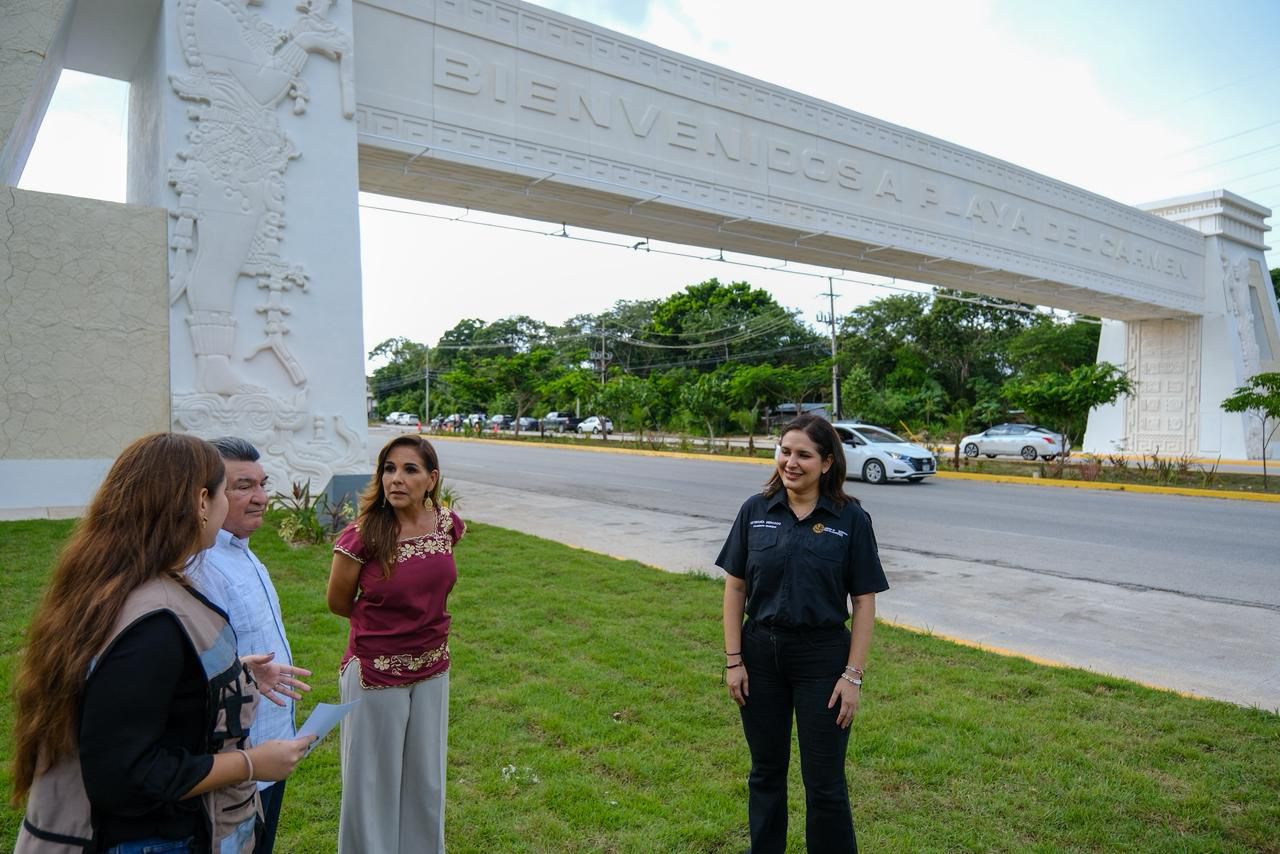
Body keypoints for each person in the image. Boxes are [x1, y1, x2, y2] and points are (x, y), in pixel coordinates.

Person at [11, 432, 316, 854]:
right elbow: (125, 774)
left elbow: (145, 697)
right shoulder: (152, 621)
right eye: (228, 491)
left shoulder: (129, 588)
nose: (238, 501)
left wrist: (234, 673)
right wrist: (251, 763)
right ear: (200, 503)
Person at [718, 414, 889, 853]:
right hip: (760, 657)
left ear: (827, 462)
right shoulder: (755, 510)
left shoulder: (850, 519)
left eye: (803, 455)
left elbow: (864, 601)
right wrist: (734, 661)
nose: (790, 462)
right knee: (766, 773)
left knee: (826, 782)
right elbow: (736, 587)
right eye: (784, 450)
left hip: (822, 660)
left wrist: (852, 676)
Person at [327, 435, 464, 854]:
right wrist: (387, 631)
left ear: (431, 479)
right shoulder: (363, 535)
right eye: (389, 468)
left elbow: (433, 581)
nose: (396, 479)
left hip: (433, 668)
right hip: (375, 673)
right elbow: (337, 602)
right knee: (372, 785)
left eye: (410, 469)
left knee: (425, 779)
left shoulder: (447, 525)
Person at [187, 437, 311, 853]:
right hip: (233, 765)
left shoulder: (242, 552)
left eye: (263, 484)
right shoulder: (200, 564)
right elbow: (191, 667)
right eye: (243, 486)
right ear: (207, 495)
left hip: (269, 752)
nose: (260, 498)